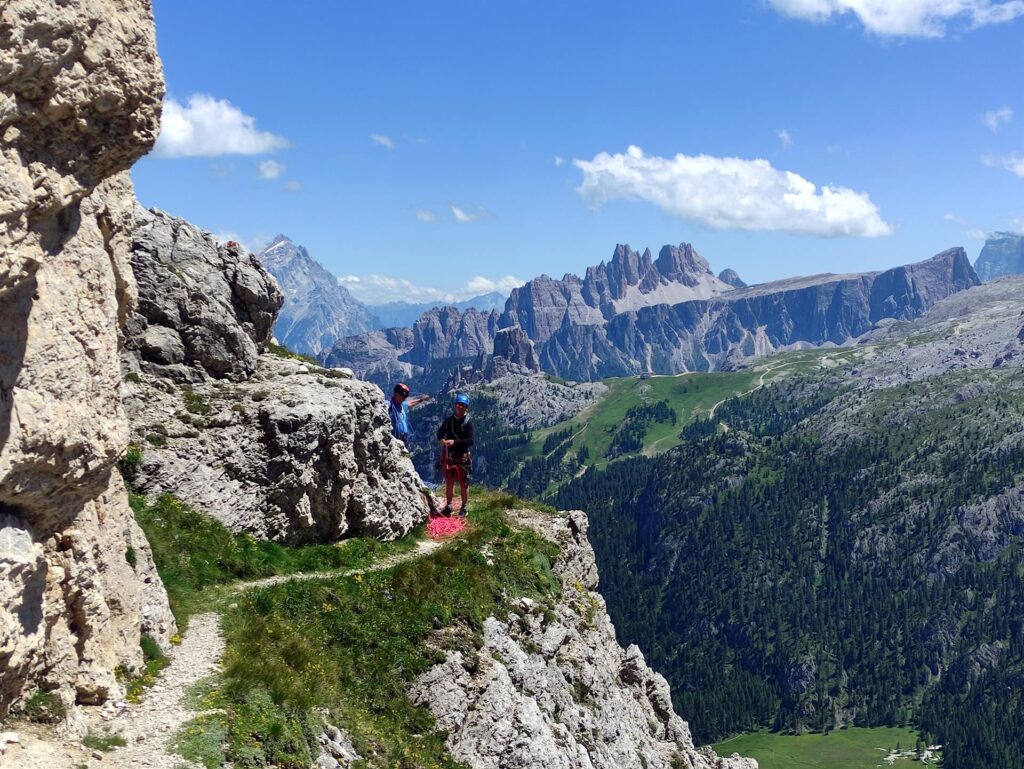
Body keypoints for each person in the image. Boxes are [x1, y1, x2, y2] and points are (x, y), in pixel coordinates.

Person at [436, 393, 474, 516]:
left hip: (462, 456)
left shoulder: (468, 423)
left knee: (463, 483)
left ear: (466, 408)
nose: (460, 407)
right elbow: (440, 433)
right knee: (450, 481)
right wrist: (441, 440)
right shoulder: (449, 421)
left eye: (462, 405)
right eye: (458, 404)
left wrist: (454, 442)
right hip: (450, 456)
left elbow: (471, 441)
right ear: (455, 406)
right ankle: (449, 505)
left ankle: (463, 507)